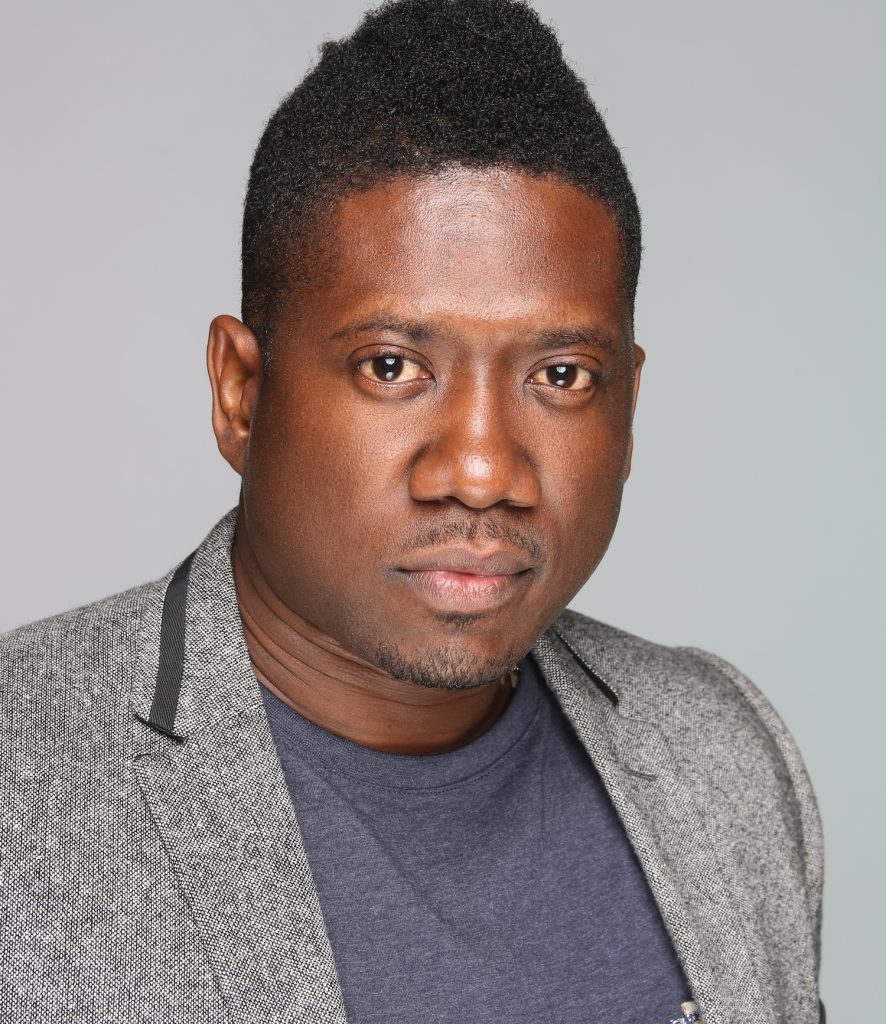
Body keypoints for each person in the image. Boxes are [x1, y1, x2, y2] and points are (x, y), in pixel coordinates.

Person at [0, 1, 824, 1022]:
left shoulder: (723, 755)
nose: (481, 471)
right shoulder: (20, 780)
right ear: (240, 393)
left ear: (629, 405)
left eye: (561, 374)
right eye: (392, 366)